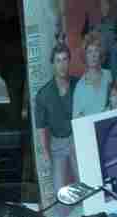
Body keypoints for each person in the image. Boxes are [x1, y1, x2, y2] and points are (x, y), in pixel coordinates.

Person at [35, 42, 79, 203]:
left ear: (69, 61)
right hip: (57, 143)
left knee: (85, 181)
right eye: (58, 60)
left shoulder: (79, 84)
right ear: (53, 64)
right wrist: (45, 152)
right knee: (59, 190)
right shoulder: (44, 94)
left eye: (65, 59)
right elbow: (41, 126)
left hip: (77, 141)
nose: (62, 64)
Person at [73, 31, 113, 118]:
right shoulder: (80, 86)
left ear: (100, 54)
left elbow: (115, 103)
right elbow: (76, 119)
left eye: (96, 51)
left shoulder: (108, 75)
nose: (93, 55)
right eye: (89, 52)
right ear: (85, 56)